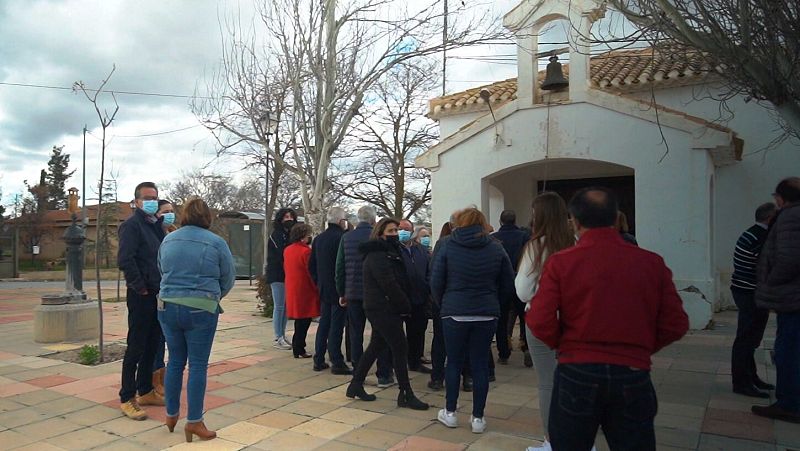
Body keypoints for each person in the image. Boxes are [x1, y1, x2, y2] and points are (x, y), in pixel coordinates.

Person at [528, 187, 689, 450]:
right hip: (632, 371)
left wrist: (565, 345)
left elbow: (539, 318)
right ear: (616, 218)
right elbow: (675, 323)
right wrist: (640, 347)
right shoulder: (650, 262)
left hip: (577, 369)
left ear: (575, 222)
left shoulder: (562, 263)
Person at [157, 197, 235, 442]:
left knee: (175, 362)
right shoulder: (216, 242)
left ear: (184, 216)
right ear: (207, 217)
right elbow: (228, 277)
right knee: (198, 365)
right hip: (201, 308)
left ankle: (171, 414)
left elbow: (161, 269)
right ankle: (194, 421)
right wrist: (212, 296)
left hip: (167, 306)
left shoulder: (168, 239)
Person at [432, 208, 515, 434]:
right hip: (486, 312)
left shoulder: (447, 245)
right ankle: (478, 418)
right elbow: (508, 282)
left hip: (454, 311)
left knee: (454, 362)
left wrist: (444, 304)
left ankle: (450, 413)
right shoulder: (496, 247)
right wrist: (495, 303)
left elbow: (436, 280)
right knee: (479, 365)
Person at [345, 218, 429, 411]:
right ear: (380, 233)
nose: (395, 234)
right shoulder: (377, 255)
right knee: (400, 347)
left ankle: (356, 384)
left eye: (396, 230)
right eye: (390, 230)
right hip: (382, 307)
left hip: (385, 307)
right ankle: (406, 393)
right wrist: (405, 305)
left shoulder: (390, 251)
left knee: (376, 345)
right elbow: (388, 284)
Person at [515, 193, 575, 451]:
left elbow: (524, 290)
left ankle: (552, 440)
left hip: (542, 320)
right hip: (574, 321)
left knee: (548, 382)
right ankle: (577, 435)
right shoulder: (576, 242)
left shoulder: (536, 246)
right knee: (573, 380)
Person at [117, 182, 166, 420]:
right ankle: (127, 397)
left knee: (152, 343)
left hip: (158, 293)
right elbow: (126, 260)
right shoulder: (131, 226)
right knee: (136, 346)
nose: (152, 201)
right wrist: (141, 287)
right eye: (147, 198)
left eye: (155, 198)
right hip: (141, 295)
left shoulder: (154, 226)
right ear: (136, 201)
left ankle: (145, 389)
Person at [752, 177, 800, 423]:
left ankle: (790, 403)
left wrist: (771, 281)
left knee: (788, 351)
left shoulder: (791, 216)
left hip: (792, 297)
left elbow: (790, 258)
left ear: (782, 197)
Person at [336, 206, 393, 387]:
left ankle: (358, 370)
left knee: (355, 333)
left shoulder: (346, 237)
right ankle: (384, 374)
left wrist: (342, 292)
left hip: (352, 292)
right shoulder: (377, 238)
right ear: (374, 220)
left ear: (358, 219)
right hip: (375, 294)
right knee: (380, 334)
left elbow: (340, 268)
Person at [730, 202, 776, 398]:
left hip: (745, 290)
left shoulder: (752, 233)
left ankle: (751, 376)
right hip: (751, 292)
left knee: (750, 338)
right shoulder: (761, 238)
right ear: (770, 219)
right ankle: (742, 382)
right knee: (747, 338)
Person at [310, 207, 351, 374]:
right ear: (341, 221)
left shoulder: (318, 239)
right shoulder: (342, 238)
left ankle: (318, 358)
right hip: (338, 288)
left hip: (324, 288)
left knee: (324, 324)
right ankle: (336, 360)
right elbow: (343, 265)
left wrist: (318, 282)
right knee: (336, 326)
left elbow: (311, 265)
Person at [492, 209, 531, 367]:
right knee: (525, 318)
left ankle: (503, 352)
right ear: (514, 221)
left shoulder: (493, 238)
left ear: (501, 222)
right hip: (521, 279)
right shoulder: (524, 237)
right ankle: (527, 347)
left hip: (501, 283)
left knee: (501, 320)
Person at [398, 219, 432, 374]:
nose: (403, 232)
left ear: (412, 232)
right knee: (397, 333)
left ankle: (415, 361)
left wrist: (426, 286)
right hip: (400, 297)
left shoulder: (420, 250)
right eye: (400, 229)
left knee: (417, 332)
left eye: (406, 229)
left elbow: (429, 269)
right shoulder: (394, 249)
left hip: (419, 298)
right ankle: (396, 362)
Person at [152, 199, 177, 396]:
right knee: (156, 338)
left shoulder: (174, 234)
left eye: (172, 211)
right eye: (165, 211)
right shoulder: (155, 235)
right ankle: (155, 379)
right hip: (157, 291)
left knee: (165, 337)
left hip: (171, 293)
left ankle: (162, 376)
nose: (169, 214)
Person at [284, 223, 320, 359]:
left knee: (299, 320)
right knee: (304, 321)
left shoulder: (287, 250)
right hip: (305, 289)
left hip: (292, 288)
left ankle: (297, 346)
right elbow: (311, 271)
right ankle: (299, 347)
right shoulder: (306, 252)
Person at [267, 208, 297, 350]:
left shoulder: (289, 235)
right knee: (279, 306)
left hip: (287, 274)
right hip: (277, 274)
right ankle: (278, 336)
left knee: (285, 307)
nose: (289, 219)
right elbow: (282, 253)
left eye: (291, 217)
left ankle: (282, 335)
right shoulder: (277, 235)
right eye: (286, 217)